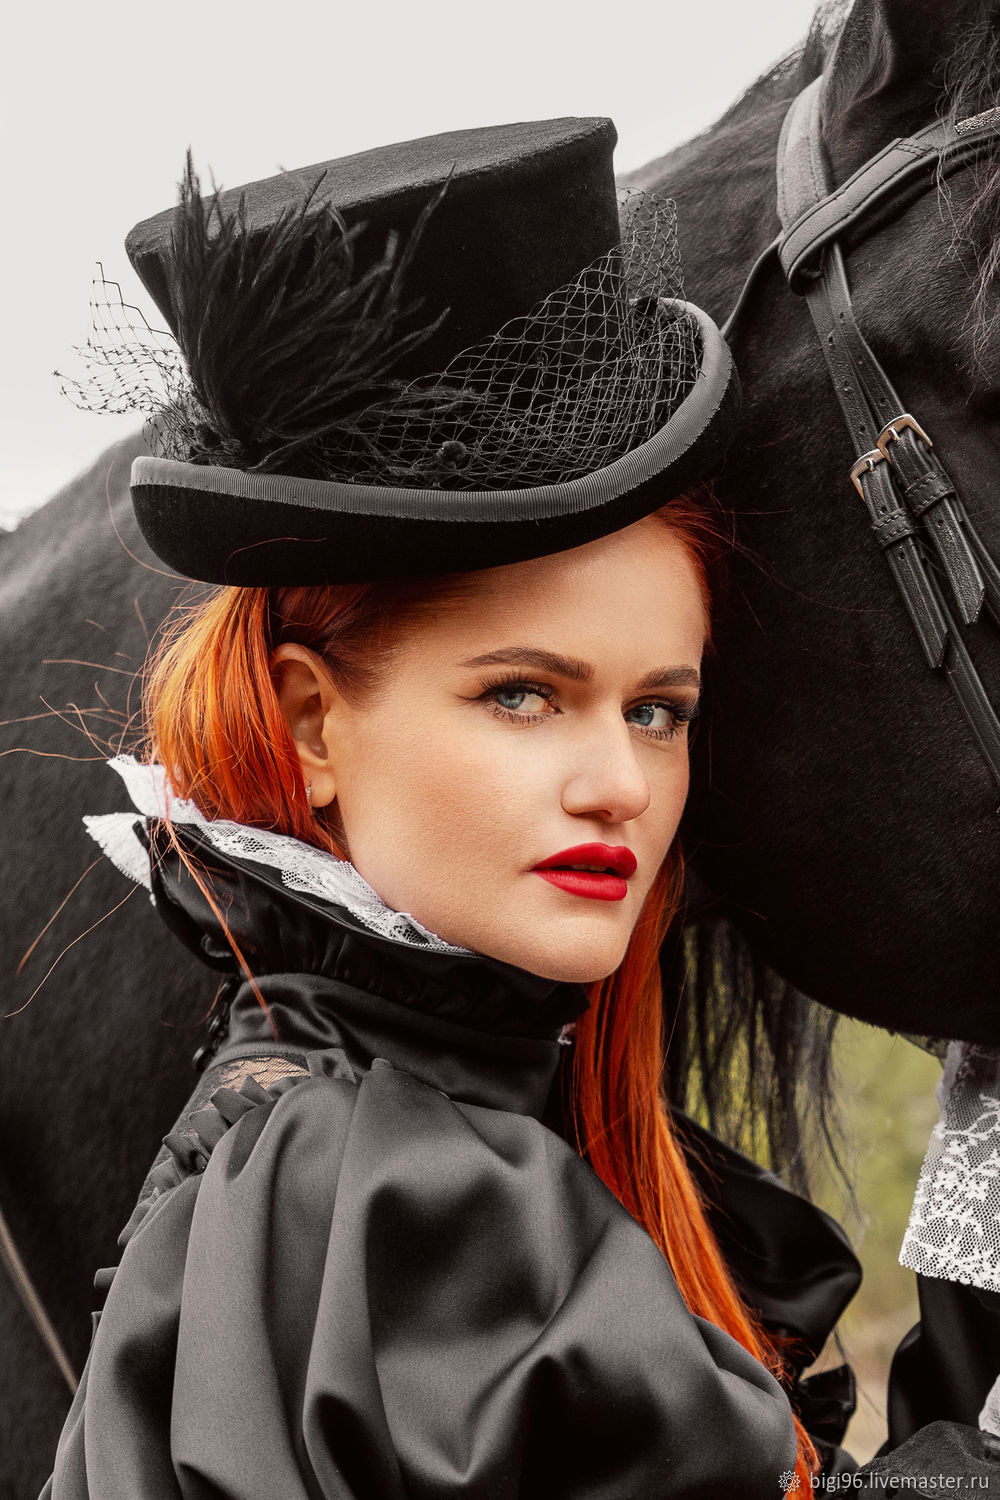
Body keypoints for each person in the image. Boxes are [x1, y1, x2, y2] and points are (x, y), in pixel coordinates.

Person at [41, 118, 998, 1496]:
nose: (619, 785)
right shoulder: (375, 1199)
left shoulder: (400, 1141)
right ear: (312, 722)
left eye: (656, 710)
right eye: (521, 696)